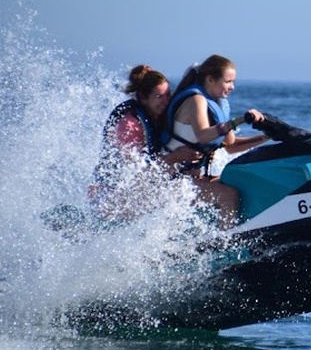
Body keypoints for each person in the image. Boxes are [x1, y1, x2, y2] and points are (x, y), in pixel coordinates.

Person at [165, 54, 269, 228]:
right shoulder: (196, 100)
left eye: (233, 82)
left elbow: (231, 146)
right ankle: (223, 245)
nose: (232, 87)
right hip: (173, 181)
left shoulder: (218, 104)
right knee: (229, 195)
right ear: (211, 80)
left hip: (194, 180)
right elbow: (203, 135)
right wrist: (238, 121)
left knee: (240, 180)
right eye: (228, 82)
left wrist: (267, 137)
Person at [88, 65, 200, 222]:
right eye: (159, 97)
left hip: (136, 192)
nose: (166, 101)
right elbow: (136, 175)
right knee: (178, 192)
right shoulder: (128, 125)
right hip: (110, 199)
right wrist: (175, 156)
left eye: (168, 95)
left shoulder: (158, 114)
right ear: (142, 97)